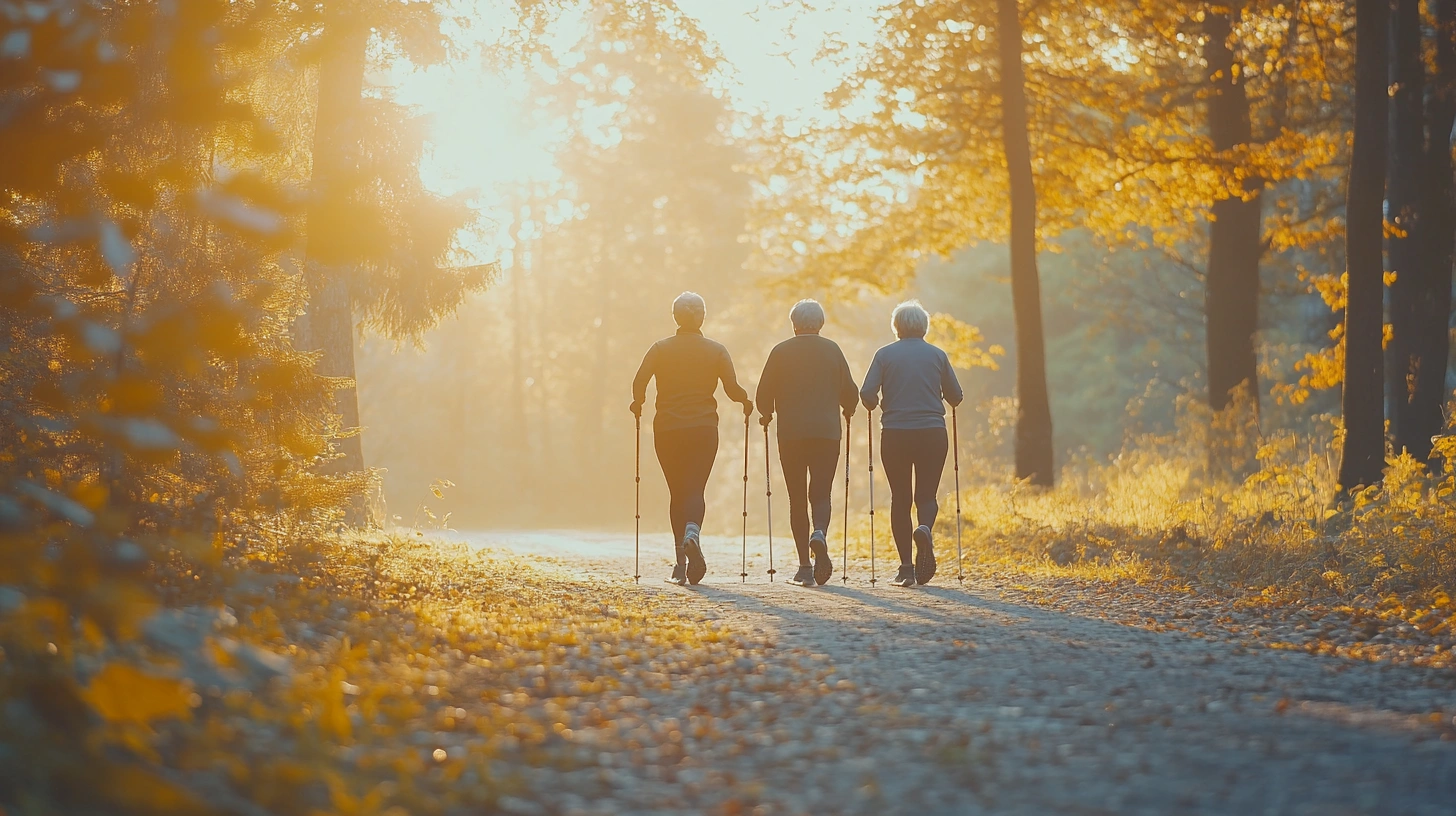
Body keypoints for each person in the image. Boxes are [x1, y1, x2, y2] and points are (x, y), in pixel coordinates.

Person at [631, 292, 752, 586]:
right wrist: (746, 401)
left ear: (675, 317)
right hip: (703, 429)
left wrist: (638, 402)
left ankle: (680, 565)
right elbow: (732, 388)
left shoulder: (660, 349)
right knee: (696, 488)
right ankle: (692, 532)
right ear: (702, 317)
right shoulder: (717, 350)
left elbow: (639, 381)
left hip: (668, 429)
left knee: (677, 492)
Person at [859, 300, 964, 587]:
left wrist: (875, 403)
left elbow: (866, 394)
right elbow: (956, 397)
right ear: (924, 326)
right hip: (932, 433)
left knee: (900, 498)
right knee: (927, 496)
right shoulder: (938, 355)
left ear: (896, 326)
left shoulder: (884, 355)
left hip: (895, 434)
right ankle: (924, 528)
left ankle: (906, 568)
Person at [756, 299, 858, 587]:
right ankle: (820, 533)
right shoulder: (833, 350)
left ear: (794, 324)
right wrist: (848, 409)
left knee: (797, 497)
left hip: (791, 435)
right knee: (821, 493)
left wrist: (766, 413)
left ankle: (804, 566)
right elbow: (850, 393)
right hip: (827, 433)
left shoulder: (780, 352)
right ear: (821, 324)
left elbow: (763, 395)